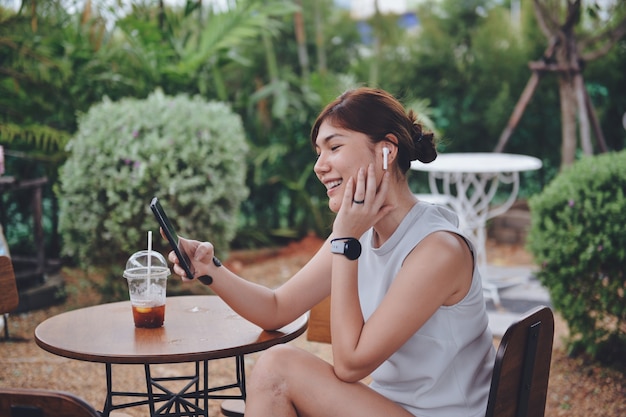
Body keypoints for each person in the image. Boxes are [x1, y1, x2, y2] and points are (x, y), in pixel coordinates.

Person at [167, 87, 495, 417]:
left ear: (386, 150)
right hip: (387, 407)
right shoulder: (358, 234)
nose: (319, 166)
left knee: (279, 367)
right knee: (277, 367)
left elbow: (350, 365)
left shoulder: (438, 249)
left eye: (334, 147)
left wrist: (346, 242)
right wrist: (209, 269)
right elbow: (277, 308)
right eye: (318, 152)